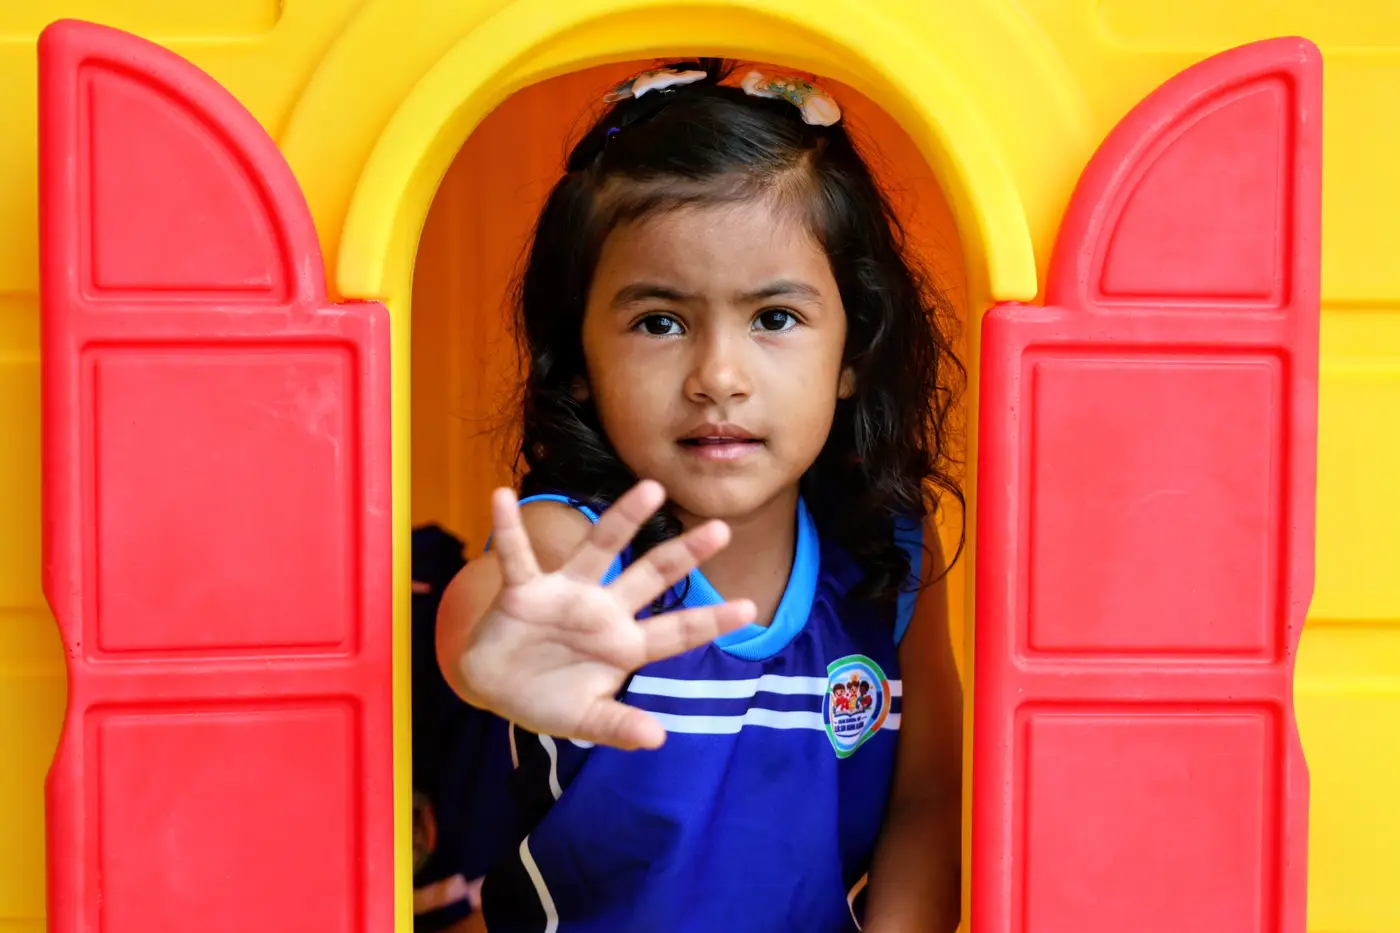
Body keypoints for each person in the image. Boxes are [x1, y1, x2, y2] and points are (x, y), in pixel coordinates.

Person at [436, 58, 964, 933]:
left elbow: (928, 801)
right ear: (578, 361)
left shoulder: (892, 549)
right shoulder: (576, 544)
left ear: (854, 350)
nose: (718, 376)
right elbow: (492, 617)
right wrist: (498, 651)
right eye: (660, 322)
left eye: (774, 318)